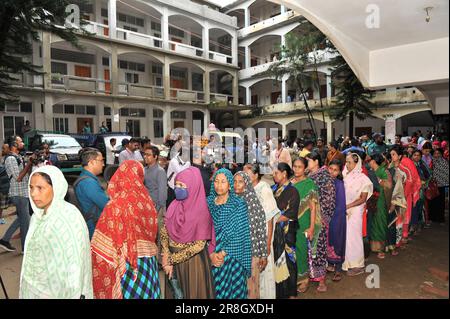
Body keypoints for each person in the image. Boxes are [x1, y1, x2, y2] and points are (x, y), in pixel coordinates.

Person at [20, 166, 92, 298]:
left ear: (56, 187)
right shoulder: (37, 216)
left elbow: (75, 266)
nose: (33, 194)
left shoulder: (69, 217)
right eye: (31, 187)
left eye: (40, 188)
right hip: (34, 290)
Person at [91, 160, 161, 299]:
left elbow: (102, 246)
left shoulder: (115, 206)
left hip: (128, 266)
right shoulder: (148, 203)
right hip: (148, 265)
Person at [161, 167, 215, 299]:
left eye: (182, 185)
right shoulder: (174, 205)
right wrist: (165, 255)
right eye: (177, 185)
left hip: (193, 265)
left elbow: (199, 245)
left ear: (193, 186)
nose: (178, 188)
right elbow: (164, 230)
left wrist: (171, 260)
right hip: (172, 262)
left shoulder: (202, 211)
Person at [207, 168, 252, 299]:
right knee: (215, 290)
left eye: (223, 182)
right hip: (211, 255)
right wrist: (211, 255)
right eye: (216, 181)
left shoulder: (238, 204)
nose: (219, 185)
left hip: (232, 256)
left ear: (230, 185)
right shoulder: (208, 203)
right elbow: (202, 230)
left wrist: (221, 254)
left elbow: (240, 233)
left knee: (233, 292)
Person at [243, 164, 279, 299]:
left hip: (263, 238)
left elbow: (270, 219)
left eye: (247, 174)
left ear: (256, 175)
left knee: (265, 272)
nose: (244, 177)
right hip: (251, 240)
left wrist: (267, 243)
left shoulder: (264, 189)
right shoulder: (246, 190)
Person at [234, 171, 268, 299]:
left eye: (240, 181)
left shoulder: (252, 201)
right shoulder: (230, 200)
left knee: (251, 286)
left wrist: (263, 254)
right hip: (235, 251)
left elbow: (260, 229)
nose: (237, 185)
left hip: (252, 251)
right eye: (235, 181)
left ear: (246, 184)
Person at [305, 152, 335, 291]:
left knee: (319, 249)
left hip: (319, 219)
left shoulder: (324, 176)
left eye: (309, 160)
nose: (307, 163)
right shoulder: (307, 175)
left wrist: (322, 218)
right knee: (307, 248)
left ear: (316, 161)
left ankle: (321, 280)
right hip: (306, 217)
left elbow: (329, 198)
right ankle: (307, 277)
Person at [290, 158, 320, 293]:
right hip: (289, 222)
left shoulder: (309, 184)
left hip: (303, 223)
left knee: (301, 251)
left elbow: (313, 208)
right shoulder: (289, 182)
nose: (297, 169)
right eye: (295, 166)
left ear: (305, 168)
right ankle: (293, 278)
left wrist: (312, 227)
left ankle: (304, 279)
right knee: (291, 251)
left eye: (300, 167)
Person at [342, 153, 373, 276]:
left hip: (355, 211)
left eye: (349, 162)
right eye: (346, 162)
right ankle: (346, 263)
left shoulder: (363, 179)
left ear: (356, 163)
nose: (347, 164)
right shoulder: (344, 175)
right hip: (344, 209)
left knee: (354, 238)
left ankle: (358, 265)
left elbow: (363, 198)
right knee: (346, 237)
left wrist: (348, 206)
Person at [0, 138, 32, 253]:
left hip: (23, 192)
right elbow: (18, 178)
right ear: (14, 144)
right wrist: (29, 164)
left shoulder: (18, 157)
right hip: (18, 194)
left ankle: (5, 240)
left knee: (22, 219)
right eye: (20, 141)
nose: (23, 143)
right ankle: (25, 249)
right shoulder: (11, 159)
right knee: (25, 222)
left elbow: (25, 175)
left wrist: (30, 163)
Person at [272, 163, 299, 299]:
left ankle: (291, 293)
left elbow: (291, 213)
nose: (273, 175)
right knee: (277, 260)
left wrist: (272, 219)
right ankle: (280, 292)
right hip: (275, 232)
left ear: (284, 174)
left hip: (288, 232)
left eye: (276, 173)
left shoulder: (293, 191)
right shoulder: (273, 188)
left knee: (289, 262)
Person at [389, 145, 421, 244]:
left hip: (405, 194)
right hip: (396, 194)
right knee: (397, 215)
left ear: (400, 155)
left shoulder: (407, 162)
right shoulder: (392, 164)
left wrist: (403, 193)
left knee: (405, 215)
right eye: (391, 155)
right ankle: (397, 237)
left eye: (393, 154)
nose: (391, 157)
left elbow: (413, 179)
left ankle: (404, 235)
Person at [74, 148, 109, 239]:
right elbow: (107, 205)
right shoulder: (88, 183)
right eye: (101, 161)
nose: (103, 164)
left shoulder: (86, 179)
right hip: (94, 227)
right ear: (92, 162)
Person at [367, 154, 393, 259]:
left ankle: (381, 248)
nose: (369, 163)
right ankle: (373, 247)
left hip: (381, 200)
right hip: (372, 200)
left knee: (380, 221)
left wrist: (379, 181)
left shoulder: (383, 171)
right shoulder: (371, 171)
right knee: (372, 222)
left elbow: (389, 186)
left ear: (373, 161)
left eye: (370, 161)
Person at [326, 159, 347, 282]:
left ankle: (338, 268)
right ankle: (330, 263)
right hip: (326, 218)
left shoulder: (339, 184)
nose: (332, 172)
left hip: (337, 218)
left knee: (337, 241)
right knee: (327, 241)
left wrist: (332, 218)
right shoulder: (324, 182)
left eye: (335, 170)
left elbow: (340, 205)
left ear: (339, 172)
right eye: (330, 169)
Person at [411, 149, 432, 231]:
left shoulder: (423, 165)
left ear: (421, 157)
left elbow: (429, 175)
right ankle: (412, 224)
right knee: (413, 207)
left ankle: (418, 224)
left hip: (420, 190)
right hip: (411, 190)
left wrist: (424, 184)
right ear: (412, 156)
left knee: (419, 206)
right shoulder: (409, 165)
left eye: (418, 155)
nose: (416, 157)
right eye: (415, 155)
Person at [429, 148, 449, 225]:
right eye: (435, 153)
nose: (436, 155)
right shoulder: (431, 162)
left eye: (438, 153)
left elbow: (446, 173)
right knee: (432, 202)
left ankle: (441, 219)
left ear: (441, 154)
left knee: (441, 203)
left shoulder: (445, 162)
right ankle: (432, 218)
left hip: (441, 185)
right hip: (432, 186)